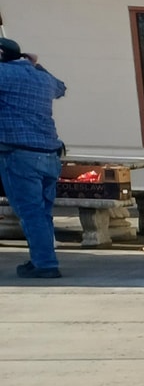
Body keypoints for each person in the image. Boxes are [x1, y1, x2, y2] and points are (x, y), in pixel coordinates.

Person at [0, 38, 68, 280]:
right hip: (50, 155)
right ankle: (40, 258)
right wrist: (35, 65)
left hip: (19, 154)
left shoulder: (2, 73)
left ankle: (46, 264)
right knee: (42, 213)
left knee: (30, 213)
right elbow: (61, 87)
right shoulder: (42, 78)